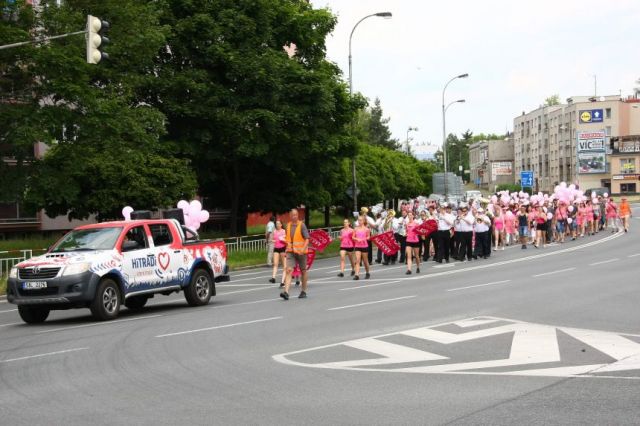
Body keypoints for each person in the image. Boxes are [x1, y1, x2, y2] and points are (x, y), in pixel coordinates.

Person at [280, 209, 309, 300]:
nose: (294, 216)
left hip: (301, 252)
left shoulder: (302, 225)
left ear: (298, 216)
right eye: (293, 215)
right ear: (290, 216)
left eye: (296, 215)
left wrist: (303, 249)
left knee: (303, 271)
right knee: (289, 270)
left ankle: (303, 291)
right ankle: (286, 292)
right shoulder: (288, 226)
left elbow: (307, 239)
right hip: (290, 251)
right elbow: (288, 239)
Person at [352, 215, 371, 280]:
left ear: (363, 221)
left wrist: (364, 239)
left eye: (361, 220)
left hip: (364, 246)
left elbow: (368, 237)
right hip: (357, 246)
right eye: (358, 220)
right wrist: (356, 239)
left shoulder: (366, 229)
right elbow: (353, 237)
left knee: (365, 261)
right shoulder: (355, 228)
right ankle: (357, 275)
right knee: (357, 260)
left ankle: (367, 272)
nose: (359, 221)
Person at [270, 220, 287, 286]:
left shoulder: (284, 231)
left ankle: (283, 281)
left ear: (281, 225)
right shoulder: (274, 231)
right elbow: (274, 239)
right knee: (275, 264)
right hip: (276, 248)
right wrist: (273, 240)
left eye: (278, 224)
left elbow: (286, 240)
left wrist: (283, 239)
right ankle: (273, 278)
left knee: (284, 266)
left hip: (282, 248)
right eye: (276, 224)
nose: (277, 225)